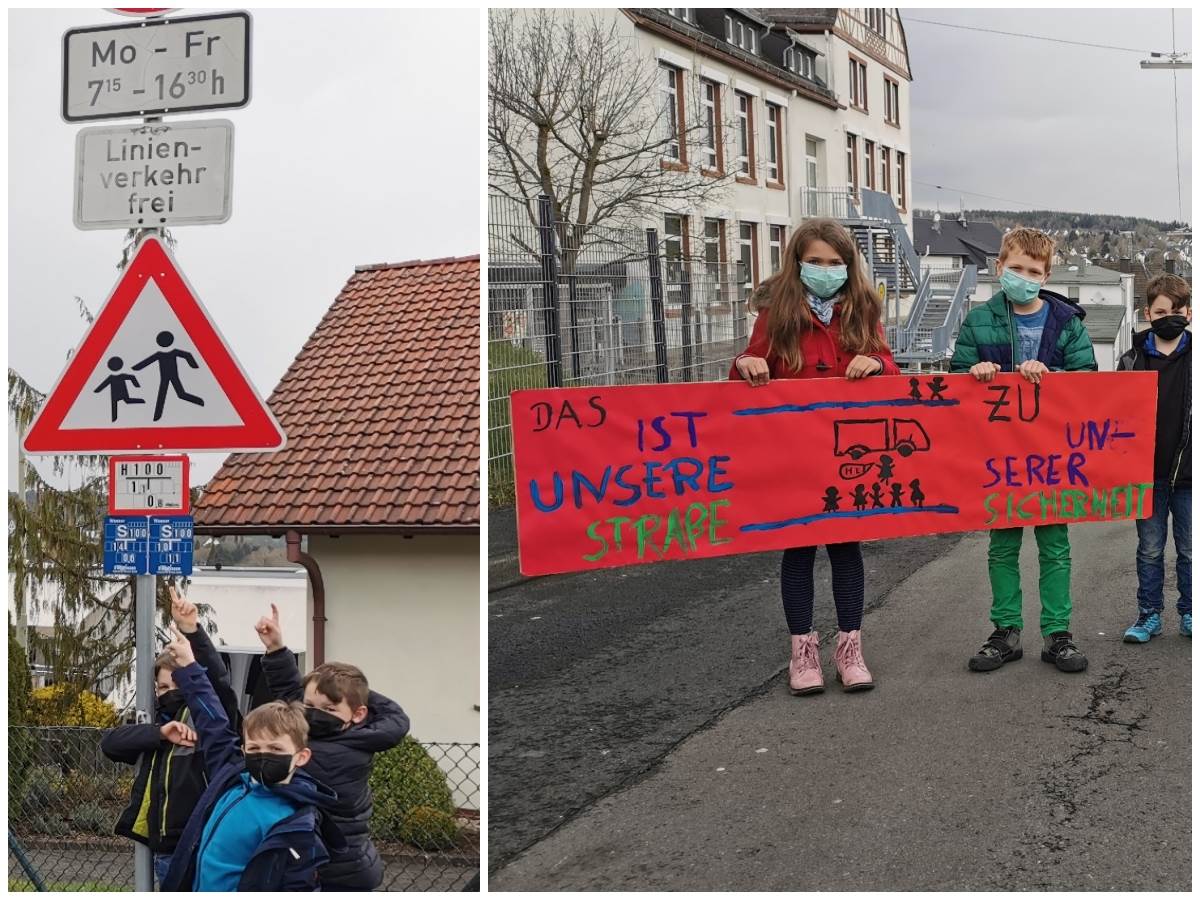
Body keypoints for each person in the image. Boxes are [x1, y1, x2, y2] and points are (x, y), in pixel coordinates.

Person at [730, 218, 899, 695]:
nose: (826, 270)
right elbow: (747, 362)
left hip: (847, 452)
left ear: (849, 266)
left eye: (835, 263)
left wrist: (878, 363)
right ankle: (802, 652)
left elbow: (889, 365)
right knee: (798, 549)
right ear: (798, 263)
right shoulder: (776, 312)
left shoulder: (863, 308)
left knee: (847, 549)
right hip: (793, 452)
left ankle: (850, 649)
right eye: (816, 262)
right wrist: (746, 364)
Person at [950, 227, 1097, 674]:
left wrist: (1051, 373)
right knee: (1002, 546)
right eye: (1015, 268)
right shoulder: (978, 319)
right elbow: (955, 380)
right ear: (999, 269)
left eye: (1033, 271)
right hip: (1001, 458)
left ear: (1046, 274)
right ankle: (1006, 632)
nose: (1023, 276)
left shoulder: (1067, 322)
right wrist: (973, 371)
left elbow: (1087, 381)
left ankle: (1058, 634)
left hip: (1052, 457)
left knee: (1055, 546)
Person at [160, 625, 345, 892]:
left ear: (301, 756)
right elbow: (213, 723)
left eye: (276, 749)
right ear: (244, 751)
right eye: (255, 749)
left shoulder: (295, 824)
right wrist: (189, 666)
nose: (264, 755)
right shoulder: (233, 778)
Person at [253, 603, 411, 890]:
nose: (315, 713)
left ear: (359, 714)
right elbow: (293, 695)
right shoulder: (353, 734)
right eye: (311, 705)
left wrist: (338, 682)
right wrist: (277, 650)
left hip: (333, 873)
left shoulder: (340, 754)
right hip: (342, 865)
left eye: (329, 707)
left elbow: (396, 717)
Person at [101, 587, 240, 886]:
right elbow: (110, 744)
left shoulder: (210, 718)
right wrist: (160, 734)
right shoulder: (157, 724)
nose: (168, 694)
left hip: (203, 843)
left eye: (176, 686)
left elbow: (217, 684)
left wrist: (192, 632)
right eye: (162, 688)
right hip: (166, 850)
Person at [1119, 274, 1191, 642]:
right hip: (1146, 475)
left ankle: (1190, 611)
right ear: (1148, 313)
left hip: (1190, 476)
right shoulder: (1131, 359)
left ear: (1189, 313)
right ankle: (1149, 615)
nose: (1169, 317)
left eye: (1176, 310)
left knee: (1190, 550)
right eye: (1161, 311)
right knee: (1149, 550)